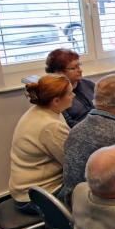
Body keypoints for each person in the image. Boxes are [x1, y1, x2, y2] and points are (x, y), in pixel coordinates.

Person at [9, 74, 74, 213]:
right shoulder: (50, 126)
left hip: (27, 190)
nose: (73, 95)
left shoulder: (41, 110)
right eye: (70, 93)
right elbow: (73, 164)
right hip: (36, 198)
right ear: (56, 100)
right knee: (95, 189)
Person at [46, 48, 94, 127]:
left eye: (79, 66)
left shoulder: (88, 84)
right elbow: (68, 123)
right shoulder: (55, 95)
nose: (80, 70)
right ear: (58, 72)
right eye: (74, 68)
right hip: (82, 130)